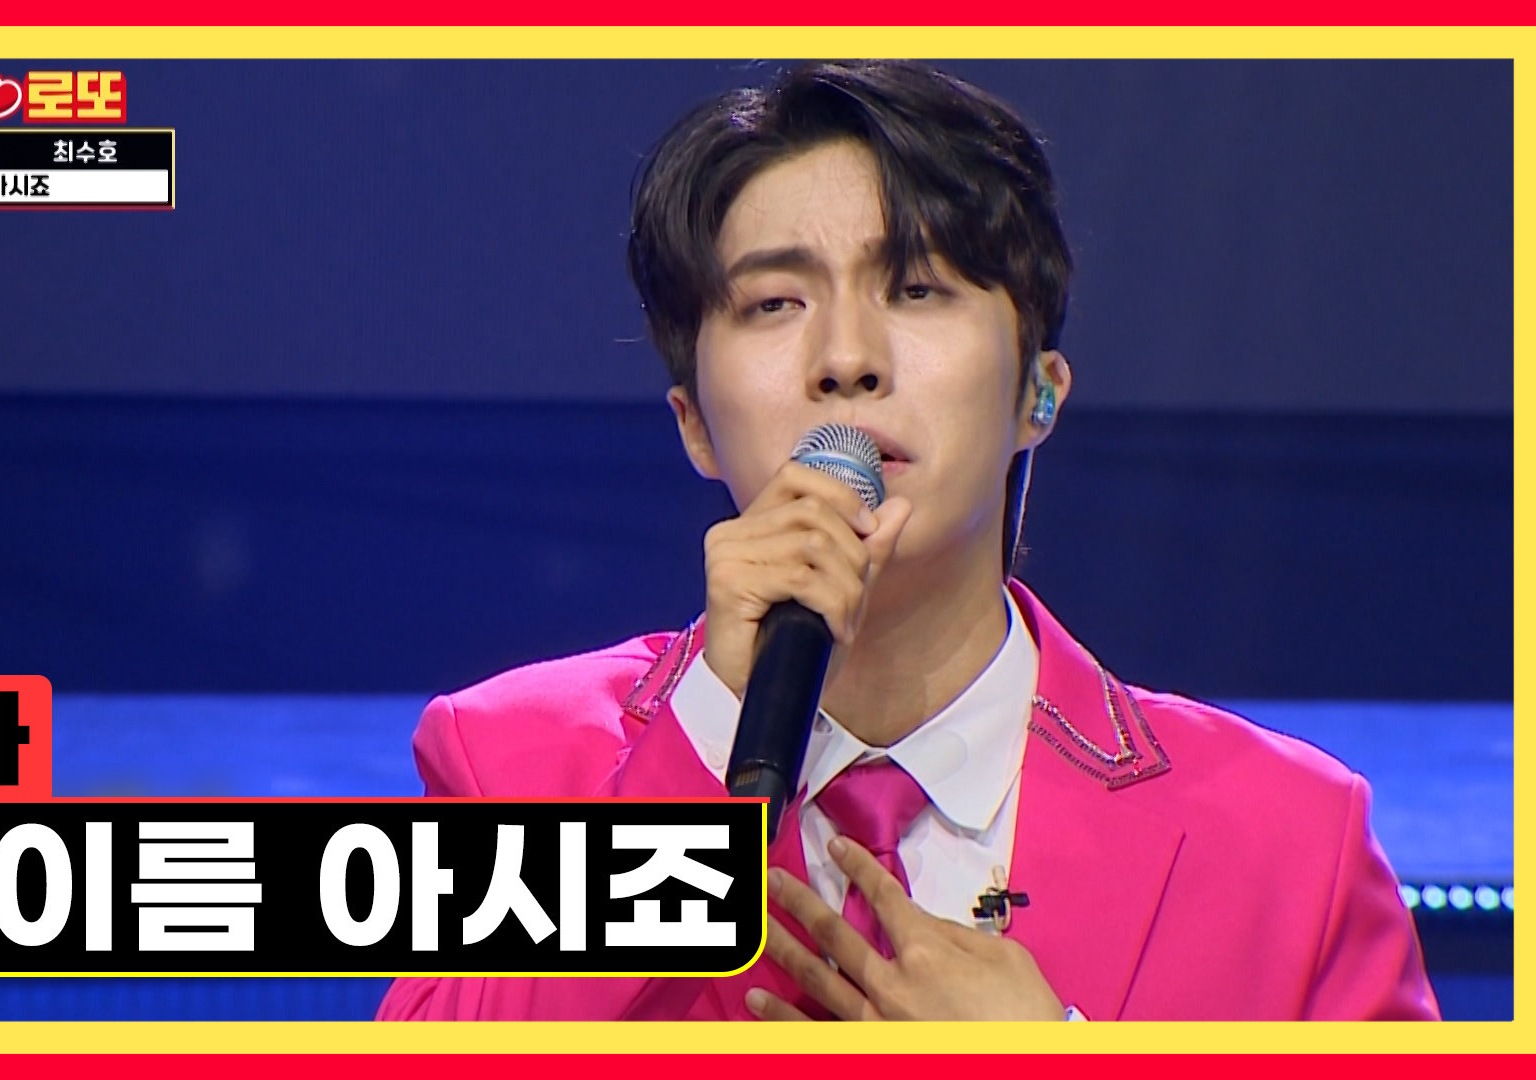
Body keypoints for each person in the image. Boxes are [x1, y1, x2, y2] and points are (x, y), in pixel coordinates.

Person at [375, 59, 1438, 1021]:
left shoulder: (1289, 845)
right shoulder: (511, 763)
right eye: (775, 302)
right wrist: (707, 738)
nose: (847, 358)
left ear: (1038, 395)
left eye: (918, 289)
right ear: (693, 423)